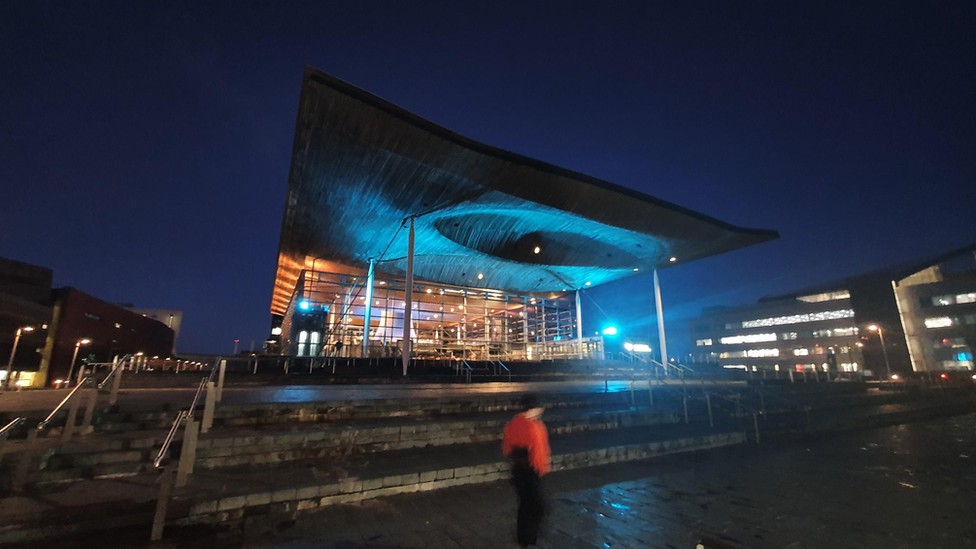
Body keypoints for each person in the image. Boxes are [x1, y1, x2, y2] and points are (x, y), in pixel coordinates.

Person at [502, 394, 551, 547]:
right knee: (537, 505)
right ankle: (528, 537)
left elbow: (507, 447)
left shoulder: (514, 424)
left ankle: (525, 538)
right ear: (535, 408)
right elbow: (538, 450)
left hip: (519, 469)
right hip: (530, 470)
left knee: (526, 504)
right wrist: (541, 467)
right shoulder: (533, 426)